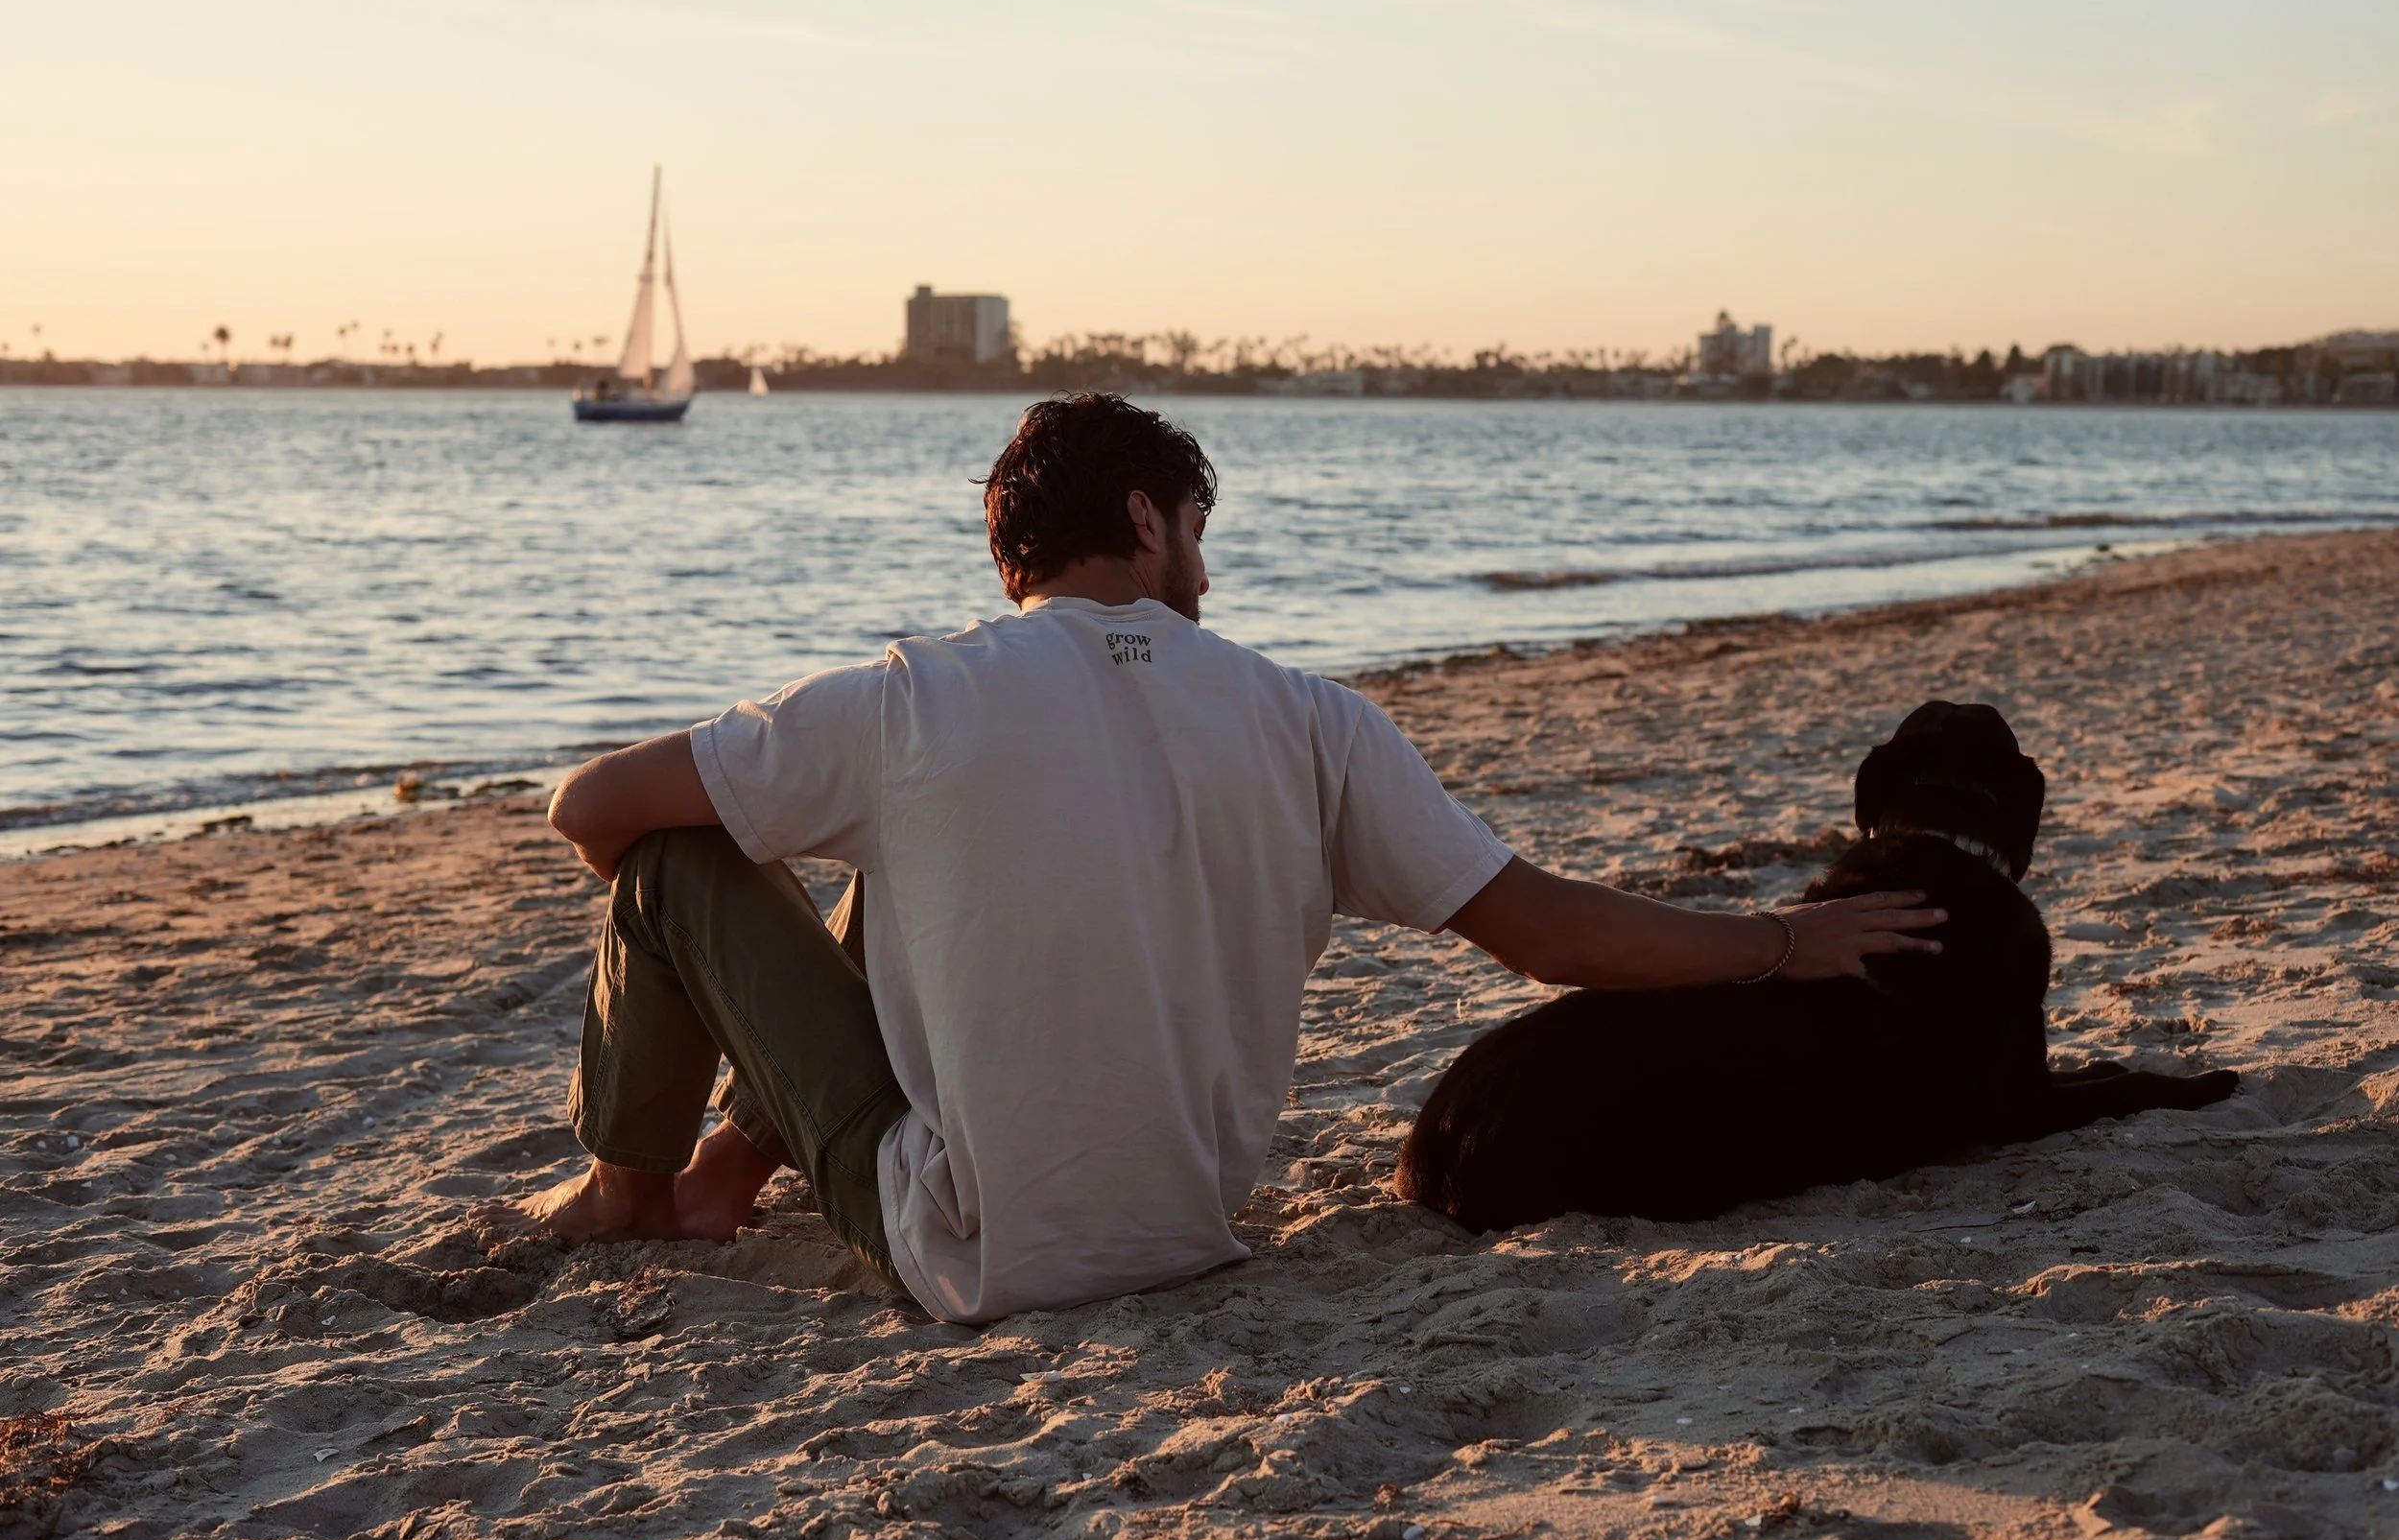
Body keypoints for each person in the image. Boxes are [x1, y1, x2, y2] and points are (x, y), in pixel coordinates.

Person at [492, 393, 1943, 1325]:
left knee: (682, 862)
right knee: (906, 867)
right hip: (1186, 1227)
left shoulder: (914, 699)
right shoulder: (1313, 718)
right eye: (1199, 530)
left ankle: (642, 1188)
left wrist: (742, 924)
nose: (1208, 567)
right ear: (1143, 520)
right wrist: (1778, 941)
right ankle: (725, 1170)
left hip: (973, 1247)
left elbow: (588, 808)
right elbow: (1545, 934)